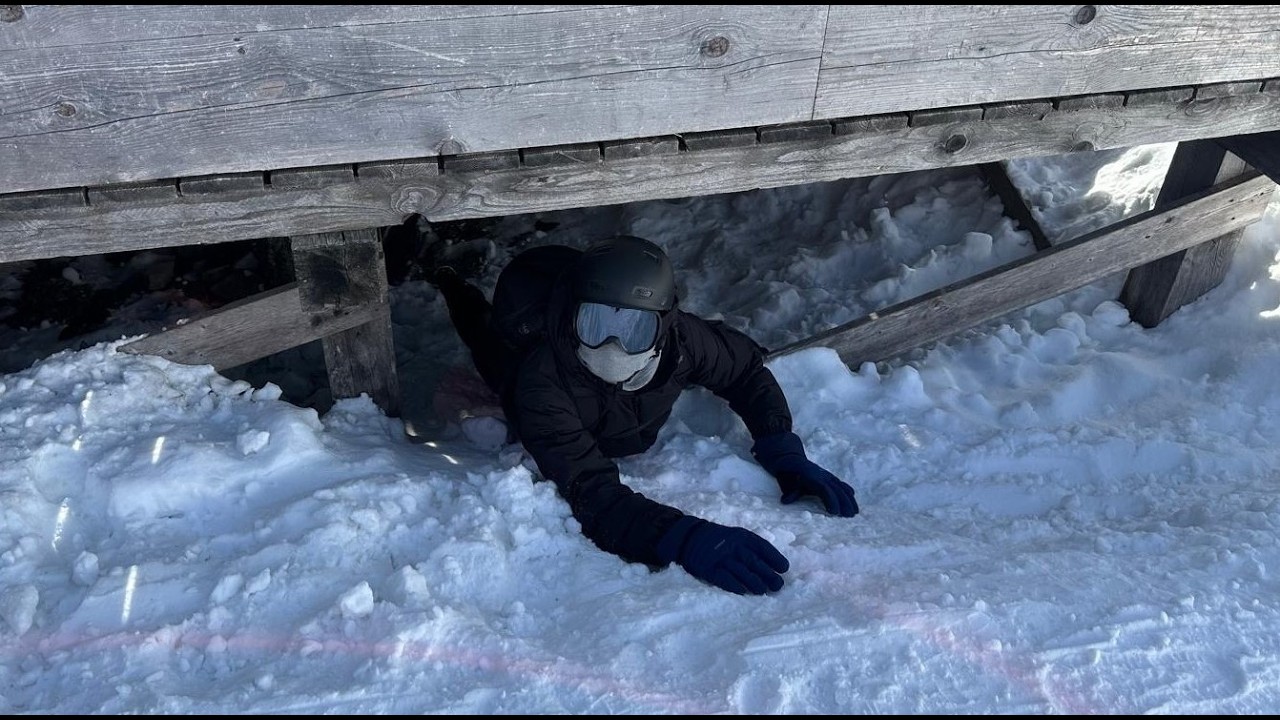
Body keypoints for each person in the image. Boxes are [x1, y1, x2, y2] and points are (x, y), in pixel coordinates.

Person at [427, 227, 859, 595]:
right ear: (573, 316)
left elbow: (745, 371)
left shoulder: (683, 343)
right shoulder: (541, 382)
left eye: (633, 330)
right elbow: (594, 495)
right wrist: (680, 537)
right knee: (481, 336)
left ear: (664, 324)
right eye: (596, 325)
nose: (612, 347)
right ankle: (448, 279)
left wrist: (781, 445)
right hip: (518, 367)